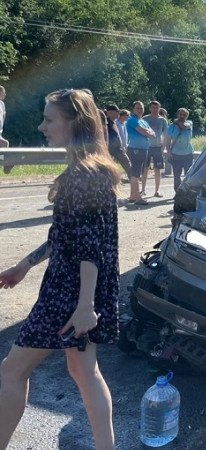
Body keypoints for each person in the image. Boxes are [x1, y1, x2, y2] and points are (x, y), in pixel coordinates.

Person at [0, 88, 120, 450]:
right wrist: (24, 265)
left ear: (74, 123)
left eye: (49, 119)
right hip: (73, 290)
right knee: (84, 371)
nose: (41, 127)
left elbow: (89, 249)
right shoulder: (91, 171)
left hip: (69, 294)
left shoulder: (82, 175)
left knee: (12, 370)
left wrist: (85, 306)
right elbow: (64, 236)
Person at [127, 100, 155, 205]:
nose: (139, 110)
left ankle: (133, 196)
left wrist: (149, 132)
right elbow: (143, 131)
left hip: (144, 149)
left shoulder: (143, 121)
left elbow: (153, 133)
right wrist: (148, 132)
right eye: (137, 108)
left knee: (138, 173)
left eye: (141, 108)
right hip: (136, 149)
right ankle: (137, 197)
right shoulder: (132, 120)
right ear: (133, 109)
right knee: (136, 173)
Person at [165, 108, 195, 192]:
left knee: (188, 176)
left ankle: (188, 192)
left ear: (187, 116)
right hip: (176, 154)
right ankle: (178, 192)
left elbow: (184, 127)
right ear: (177, 115)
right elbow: (167, 141)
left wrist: (177, 122)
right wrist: (169, 152)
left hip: (188, 154)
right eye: (180, 114)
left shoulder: (189, 123)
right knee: (176, 176)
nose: (182, 116)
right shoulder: (172, 126)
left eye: (184, 115)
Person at [141, 101, 168, 198]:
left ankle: (157, 191)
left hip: (158, 147)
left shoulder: (163, 120)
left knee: (157, 169)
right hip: (147, 147)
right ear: (150, 108)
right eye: (153, 107)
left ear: (159, 108)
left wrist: (163, 147)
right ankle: (143, 190)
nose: (155, 109)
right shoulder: (145, 119)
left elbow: (166, 135)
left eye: (156, 107)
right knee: (145, 168)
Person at [104, 104, 133, 181]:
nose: (118, 113)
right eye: (116, 111)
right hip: (110, 149)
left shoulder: (113, 122)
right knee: (111, 166)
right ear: (110, 112)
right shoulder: (105, 123)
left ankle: (132, 179)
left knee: (127, 163)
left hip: (118, 148)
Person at [160, 108, 173, 176]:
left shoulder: (164, 121)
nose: (164, 115)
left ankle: (167, 171)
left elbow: (166, 134)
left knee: (166, 155)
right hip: (160, 140)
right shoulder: (161, 121)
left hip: (164, 140)